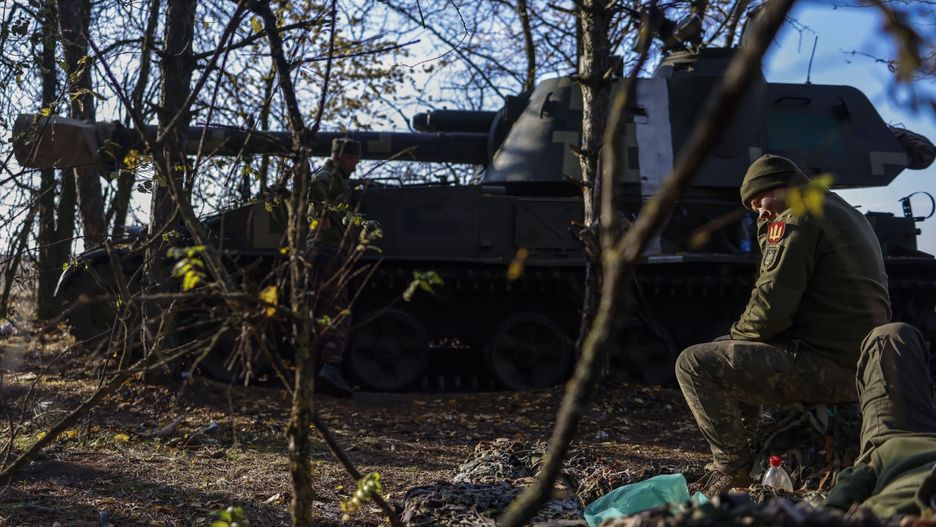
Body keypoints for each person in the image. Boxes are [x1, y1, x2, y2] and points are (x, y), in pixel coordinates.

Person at [675, 154, 892, 496]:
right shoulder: (840, 209)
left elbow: (770, 309)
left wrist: (735, 336)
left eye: (759, 201)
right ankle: (752, 447)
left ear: (783, 186)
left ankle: (732, 467)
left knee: (694, 364)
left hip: (835, 369)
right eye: (752, 209)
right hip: (861, 364)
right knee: (728, 348)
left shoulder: (798, 217)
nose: (760, 213)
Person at [823, 323, 936, 518]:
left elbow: (846, 492)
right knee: (896, 335)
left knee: (888, 338)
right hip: (904, 446)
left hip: (894, 444)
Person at [307, 137, 363, 398]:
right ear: (342, 157)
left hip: (325, 250)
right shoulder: (327, 176)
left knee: (319, 309)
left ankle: (312, 369)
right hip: (328, 250)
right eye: (353, 159)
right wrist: (322, 215)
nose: (355, 164)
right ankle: (330, 368)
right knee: (339, 312)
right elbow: (316, 188)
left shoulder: (337, 178)